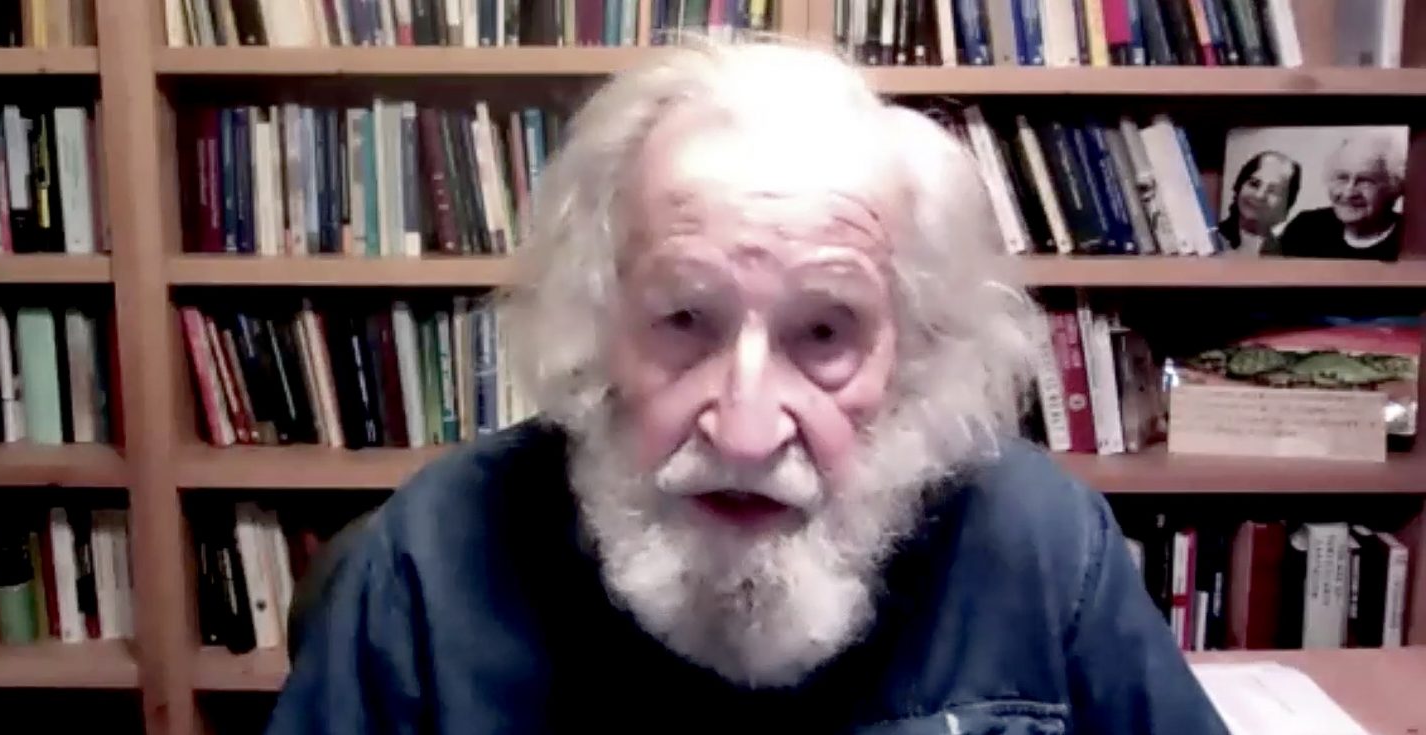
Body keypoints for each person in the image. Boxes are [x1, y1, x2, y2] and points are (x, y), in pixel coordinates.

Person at [264, 40, 1227, 734]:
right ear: (598, 327)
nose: (747, 428)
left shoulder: (1043, 545)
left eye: (825, 334)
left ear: (917, 353)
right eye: (685, 320)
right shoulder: (431, 557)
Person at [1279, 133, 1407, 260]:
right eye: (1342, 178)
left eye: (1365, 180)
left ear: (1394, 187)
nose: (1348, 192)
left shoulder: (1411, 240)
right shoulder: (1304, 228)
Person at [1217, 151, 1300, 257]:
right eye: (1254, 184)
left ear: (1287, 205)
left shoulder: (1288, 253)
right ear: (1240, 186)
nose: (1259, 195)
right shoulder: (1212, 241)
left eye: (1273, 191)